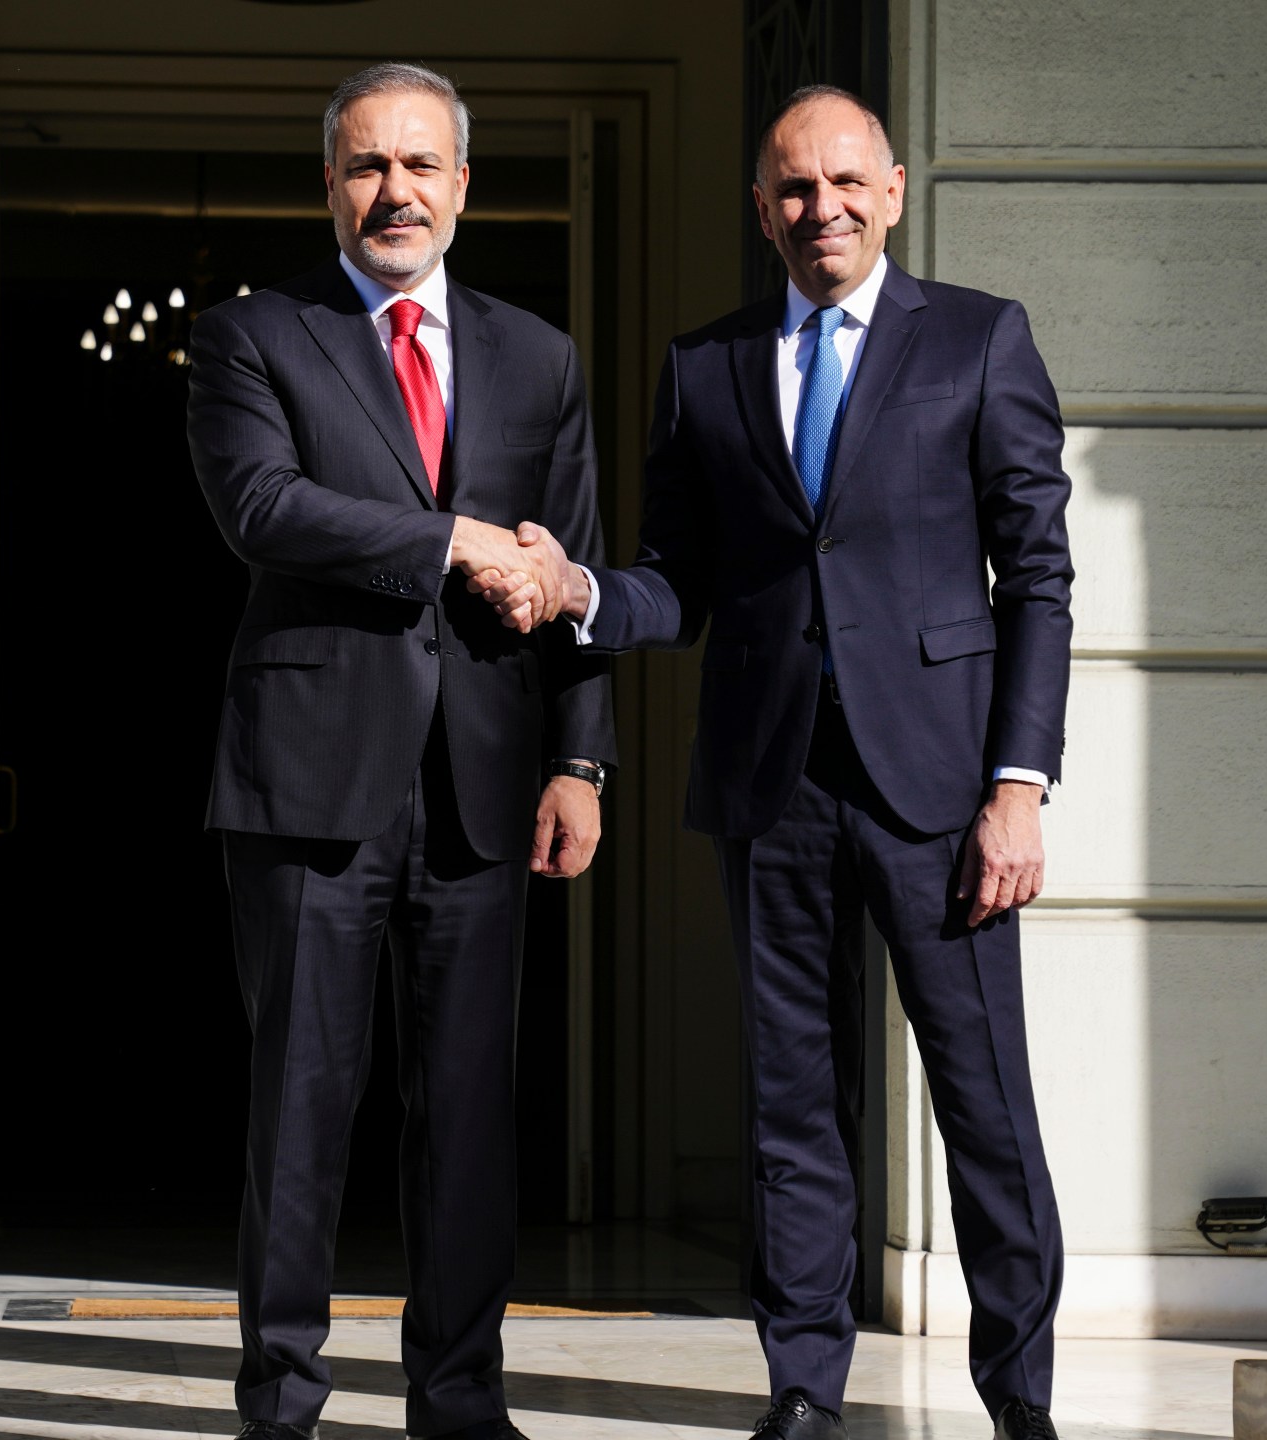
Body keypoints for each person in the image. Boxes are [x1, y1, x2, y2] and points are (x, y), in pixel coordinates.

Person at [476, 83, 1073, 1440]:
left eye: (849, 182)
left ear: (897, 190)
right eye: (796, 189)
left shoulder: (981, 340)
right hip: (771, 786)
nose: (825, 208)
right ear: (763, 209)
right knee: (790, 1113)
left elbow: (1038, 574)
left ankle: (1020, 1404)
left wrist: (1017, 786)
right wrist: (581, 593)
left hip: (943, 799)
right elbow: (681, 584)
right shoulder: (707, 365)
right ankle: (803, 1391)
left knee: (986, 1114)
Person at [186, 60, 614, 1440]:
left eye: (422, 165)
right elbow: (264, 508)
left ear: (465, 185)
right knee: (301, 1106)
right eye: (368, 165)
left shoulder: (536, 356)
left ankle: (461, 1401)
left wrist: (581, 761)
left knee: (470, 1119)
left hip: (487, 783)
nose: (395, 191)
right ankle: (282, 1400)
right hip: (311, 777)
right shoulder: (254, 336)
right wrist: (448, 541)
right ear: (328, 184)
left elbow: (572, 574)